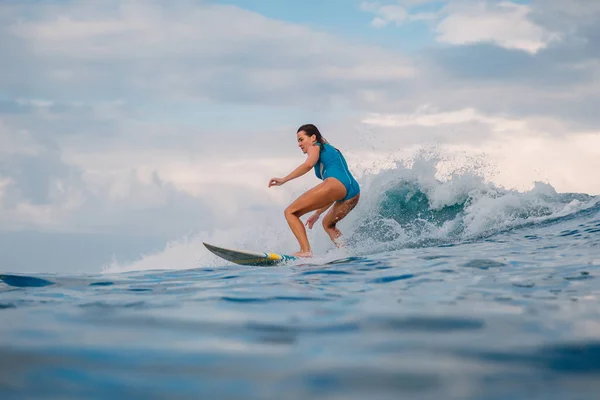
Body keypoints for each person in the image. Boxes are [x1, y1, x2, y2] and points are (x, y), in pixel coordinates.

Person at [268, 124, 360, 257]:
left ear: (313, 137)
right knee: (328, 224)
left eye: (301, 139)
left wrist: (284, 180)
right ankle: (344, 252)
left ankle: (305, 251)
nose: (299, 144)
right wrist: (318, 213)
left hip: (337, 185)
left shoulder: (315, 146)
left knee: (290, 212)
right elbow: (333, 192)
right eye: (298, 141)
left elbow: (308, 164)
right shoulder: (330, 150)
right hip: (353, 193)